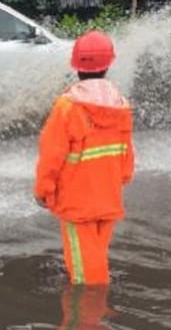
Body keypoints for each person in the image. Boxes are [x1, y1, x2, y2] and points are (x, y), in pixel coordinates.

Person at [35, 29, 135, 285]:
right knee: (95, 258)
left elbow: (52, 154)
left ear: (76, 66)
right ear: (108, 65)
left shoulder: (67, 107)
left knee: (86, 279)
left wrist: (43, 190)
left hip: (77, 203)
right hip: (108, 198)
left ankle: (86, 321)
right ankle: (99, 318)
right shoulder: (121, 104)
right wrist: (118, 180)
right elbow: (126, 154)